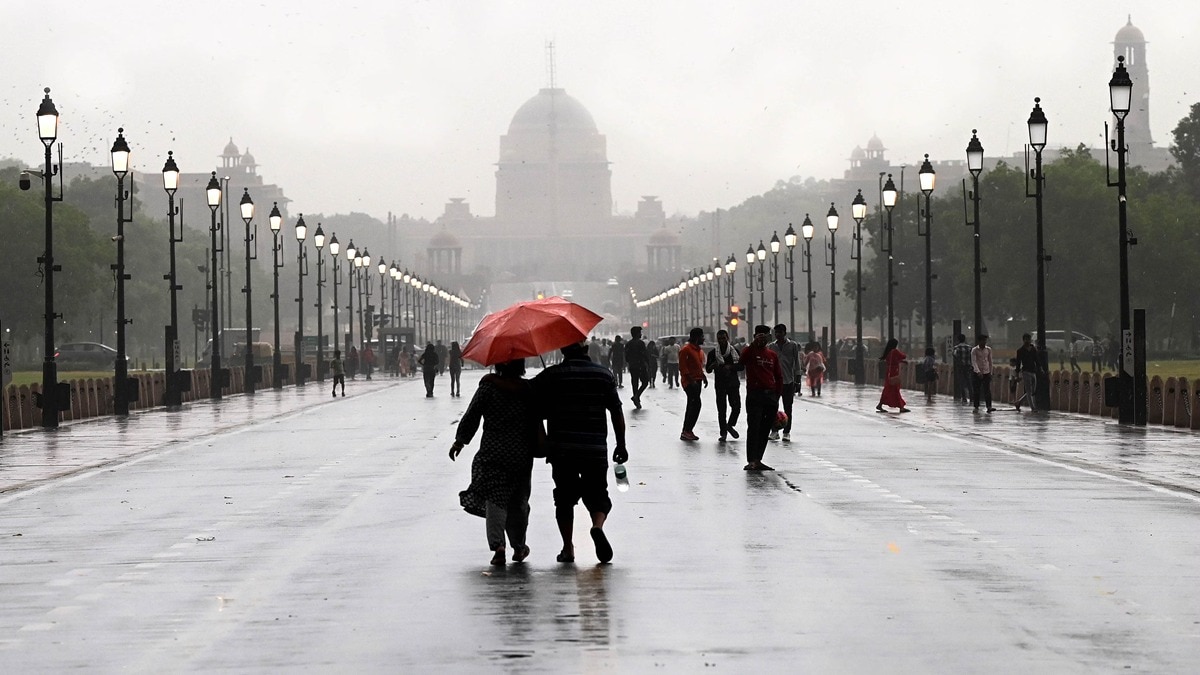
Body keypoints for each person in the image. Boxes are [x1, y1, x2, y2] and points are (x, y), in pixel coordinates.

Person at [532, 341, 627, 564]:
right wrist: (621, 444)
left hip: (562, 448)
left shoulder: (552, 375)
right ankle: (597, 526)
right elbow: (616, 411)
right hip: (594, 448)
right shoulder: (603, 374)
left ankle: (568, 548)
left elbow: (532, 403)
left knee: (564, 498)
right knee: (598, 494)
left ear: (562, 351)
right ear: (587, 351)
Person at [449, 359, 537, 566]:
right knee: (518, 501)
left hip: (492, 452)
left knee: (495, 499)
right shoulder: (527, 390)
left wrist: (460, 441)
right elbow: (538, 416)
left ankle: (499, 545)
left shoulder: (488, 387)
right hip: (520, 454)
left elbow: (472, 415)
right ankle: (519, 546)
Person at [740, 325, 783, 471]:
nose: (764, 338)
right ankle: (751, 459)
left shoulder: (772, 355)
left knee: (765, 429)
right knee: (754, 427)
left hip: (770, 396)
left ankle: (758, 459)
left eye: (766, 335)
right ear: (755, 336)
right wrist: (753, 345)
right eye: (760, 335)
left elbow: (778, 376)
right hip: (754, 394)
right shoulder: (750, 351)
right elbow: (741, 362)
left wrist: (777, 395)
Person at [767, 324, 803, 441]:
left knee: (788, 408)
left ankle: (787, 432)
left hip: (788, 381)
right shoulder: (771, 347)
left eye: (780, 332)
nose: (778, 335)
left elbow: (797, 364)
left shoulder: (792, 346)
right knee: (772, 408)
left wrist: (798, 381)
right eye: (776, 333)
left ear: (784, 333)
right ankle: (774, 430)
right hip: (774, 382)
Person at [706, 329, 742, 443]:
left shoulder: (734, 351)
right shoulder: (713, 353)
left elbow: (741, 366)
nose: (722, 341)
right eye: (719, 339)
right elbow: (707, 369)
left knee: (736, 407)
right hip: (720, 384)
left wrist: (730, 367)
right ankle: (723, 433)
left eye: (724, 338)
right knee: (722, 410)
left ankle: (730, 425)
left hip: (733, 384)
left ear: (728, 338)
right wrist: (713, 366)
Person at [678, 327, 708, 441]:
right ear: (697, 337)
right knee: (696, 404)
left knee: (692, 405)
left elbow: (698, 366)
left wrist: (703, 377)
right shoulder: (686, 350)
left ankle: (686, 430)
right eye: (702, 336)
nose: (703, 339)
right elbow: (683, 367)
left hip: (697, 381)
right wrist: (691, 380)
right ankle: (687, 430)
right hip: (690, 383)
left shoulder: (698, 350)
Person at [876, 338, 910, 413]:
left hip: (889, 372)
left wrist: (901, 362)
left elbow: (893, 360)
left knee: (888, 389)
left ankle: (880, 404)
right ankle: (901, 407)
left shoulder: (888, 352)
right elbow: (903, 356)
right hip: (894, 372)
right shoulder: (894, 351)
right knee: (895, 389)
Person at [1014, 333, 1041, 412]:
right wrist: (1017, 374)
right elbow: (1018, 363)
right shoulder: (1020, 351)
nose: (1027, 341)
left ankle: (1019, 402)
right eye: (1025, 339)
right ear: (1023, 340)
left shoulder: (1033, 349)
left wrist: (1040, 368)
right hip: (1025, 371)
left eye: (1028, 339)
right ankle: (1033, 408)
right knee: (1029, 391)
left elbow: (1037, 360)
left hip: (1033, 371)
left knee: (1033, 390)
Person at [625, 327, 650, 408]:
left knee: (634, 383)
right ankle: (637, 397)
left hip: (632, 366)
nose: (641, 334)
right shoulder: (640, 343)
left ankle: (637, 401)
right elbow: (645, 354)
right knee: (645, 382)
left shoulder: (628, 344)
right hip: (640, 365)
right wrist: (648, 364)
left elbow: (626, 357)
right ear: (636, 333)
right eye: (639, 332)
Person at [971, 334, 995, 413]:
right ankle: (976, 406)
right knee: (976, 390)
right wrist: (978, 372)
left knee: (987, 390)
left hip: (986, 372)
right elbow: (974, 362)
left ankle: (989, 406)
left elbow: (990, 361)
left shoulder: (988, 349)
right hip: (977, 373)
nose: (984, 342)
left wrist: (991, 372)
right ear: (979, 341)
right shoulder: (974, 350)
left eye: (985, 340)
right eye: (982, 340)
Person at [952, 334, 973, 405]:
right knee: (969, 382)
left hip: (960, 367)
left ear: (958, 340)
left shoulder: (956, 348)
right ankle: (972, 397)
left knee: (961, 382)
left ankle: (964, 398)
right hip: (968, 366)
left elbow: (955, 356)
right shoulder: (970, 348)